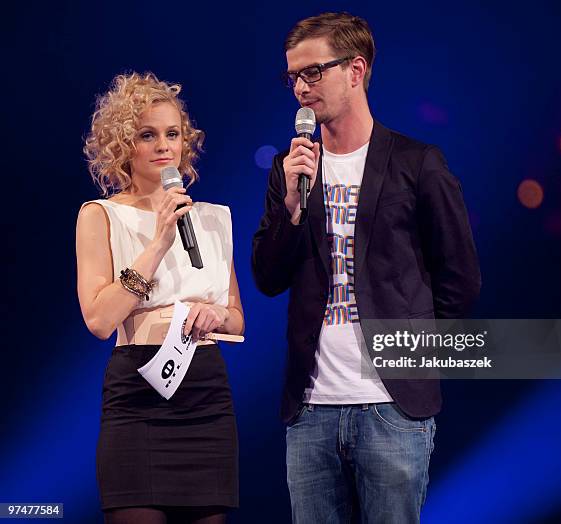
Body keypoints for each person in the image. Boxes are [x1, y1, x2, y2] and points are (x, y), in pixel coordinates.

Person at [252, 12, 480, 523]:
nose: (301, 88)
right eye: (293, 77)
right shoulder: (290, 168)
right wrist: (290, 207)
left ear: (356, 70)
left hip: (392, 408)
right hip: (310, 408)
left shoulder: (417, 162)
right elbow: (267, 277)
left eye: (313, 72)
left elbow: (460, 279)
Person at [77, 72, 244, 524]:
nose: (163, 146)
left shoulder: (212, 218)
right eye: (147, 135)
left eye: (172, 134)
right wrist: (157, 244)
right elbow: (99, 319)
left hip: (205, 395)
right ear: (122, 145)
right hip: (138, 394)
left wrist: (215, 314)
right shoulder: (101, 215)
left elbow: (238, 321)